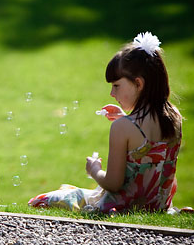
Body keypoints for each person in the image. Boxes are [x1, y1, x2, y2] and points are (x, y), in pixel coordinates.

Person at [28, 32, 183, 214]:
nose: (112, 93)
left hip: (120, 207)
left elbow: (113, 184)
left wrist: (94, 169)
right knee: (68, 192)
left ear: (139, 84)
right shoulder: (174, 116)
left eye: (116, 86)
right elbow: (148, 150)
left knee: (40, 201)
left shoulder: (122, 128)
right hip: (157, 207)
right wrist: (124, 117)